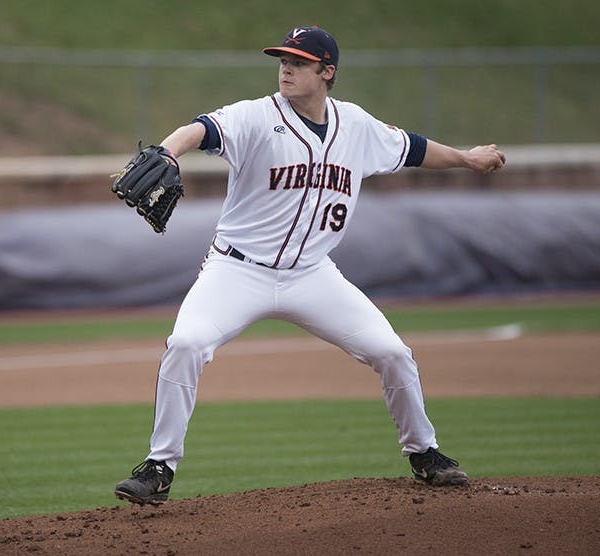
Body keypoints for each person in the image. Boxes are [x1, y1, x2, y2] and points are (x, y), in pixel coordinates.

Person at [113, 26, 506, 506]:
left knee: (393, 353)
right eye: (283, 59)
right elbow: (200, 129)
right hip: (237, 270)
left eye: (298, 61)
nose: (286, 67)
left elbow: (414, 149)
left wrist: (467, 158)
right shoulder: (256, 116)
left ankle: (425, 453)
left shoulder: (355, 126)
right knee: (187, 343)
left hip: (312, 274)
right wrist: (167, 150)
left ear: (327, 72)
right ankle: (159, 467)